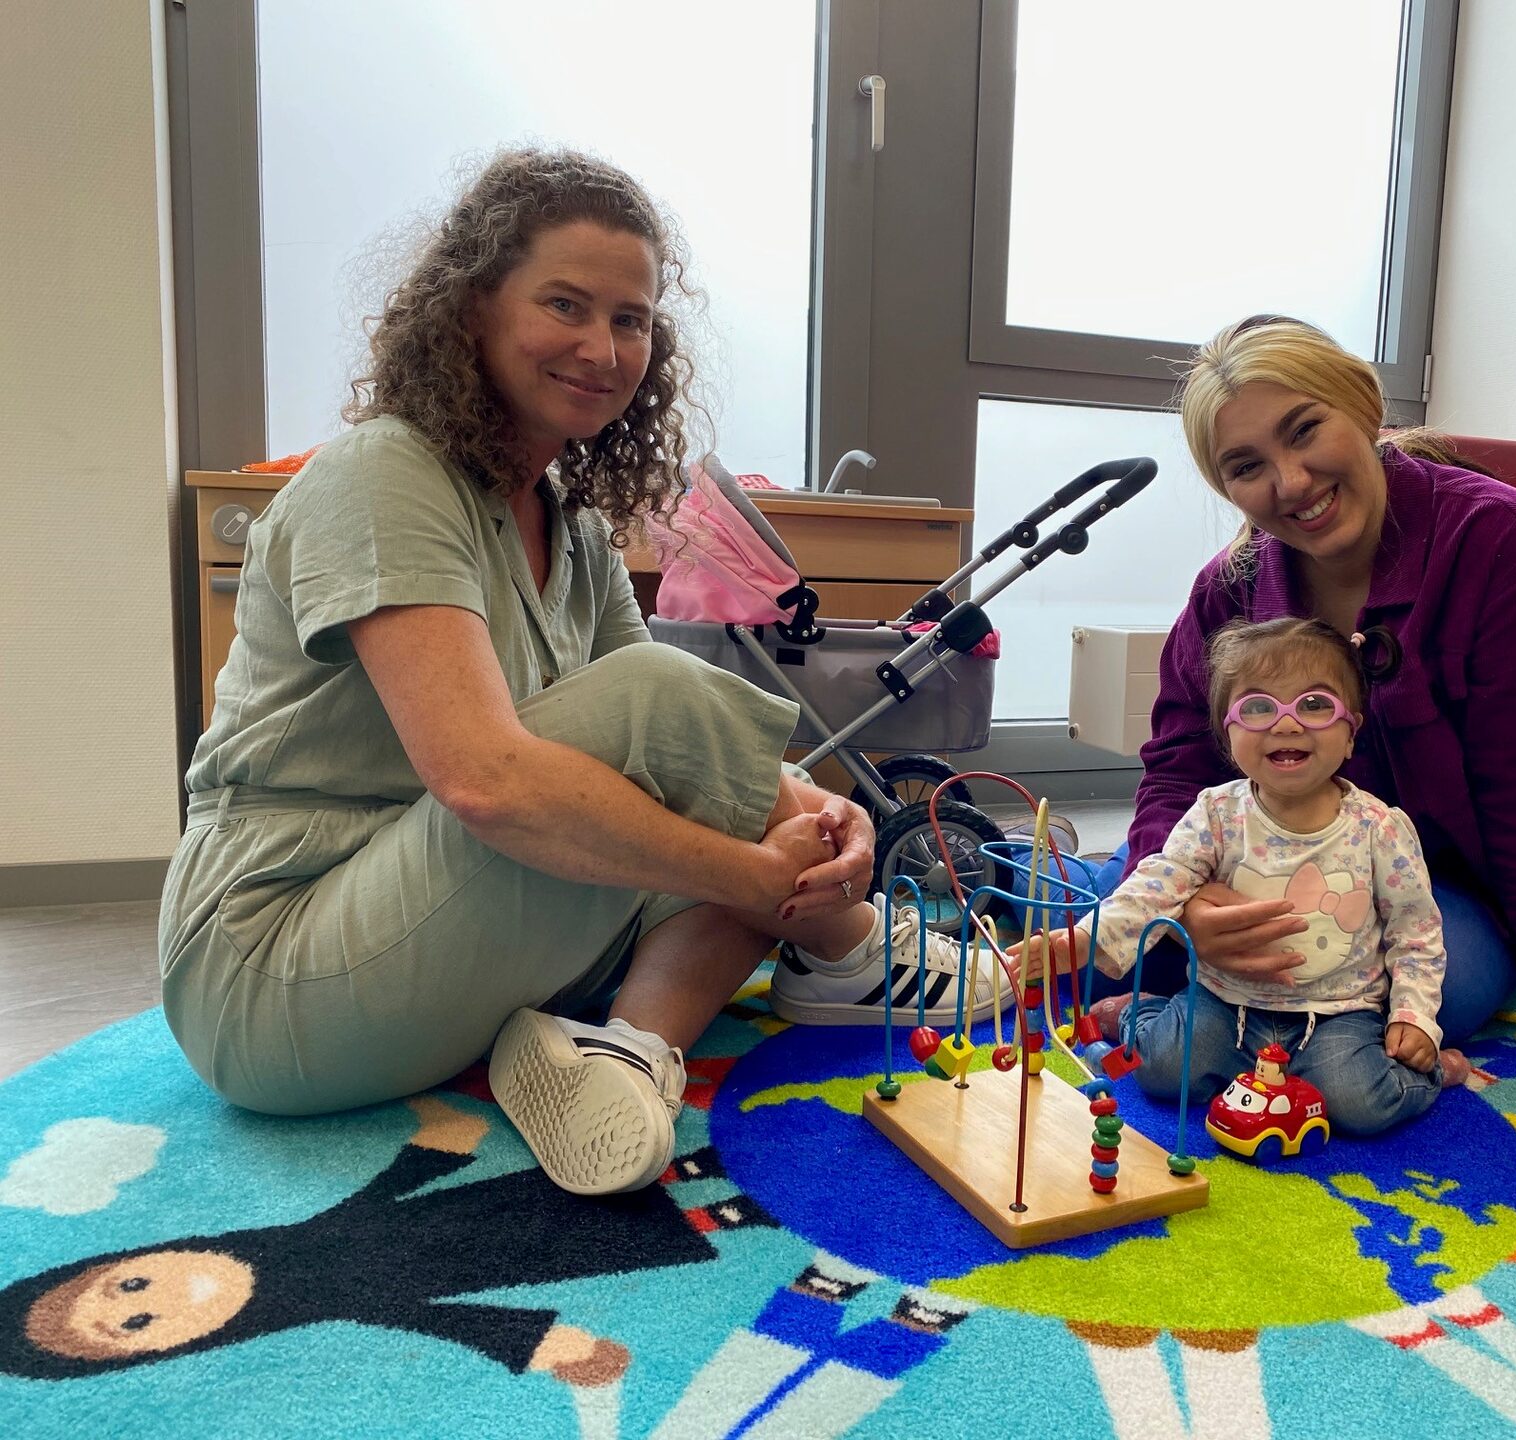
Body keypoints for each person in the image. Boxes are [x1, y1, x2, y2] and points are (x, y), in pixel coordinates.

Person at [158, 149, 989, 1199]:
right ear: (471, 308)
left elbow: (691, 774)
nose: (604, 348)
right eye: (565, 305)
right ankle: (853, 947)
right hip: (272, 975)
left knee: (720, 818)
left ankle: (628, 1054)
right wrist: (763, 871)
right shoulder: (383, 473)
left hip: (438, 931)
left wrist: (822, 817)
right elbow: (487, 781)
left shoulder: (574, 527)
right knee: (682, 744)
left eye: (632, 319)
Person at [1113, 315, 1516, 1068]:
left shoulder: (1505, 547)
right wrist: (1185, 904)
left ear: (1365, 404)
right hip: (1259, 862)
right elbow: (1179, 766)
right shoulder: (1229, 587)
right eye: (1246, 467)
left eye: (1305, 431)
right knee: (1113, 930)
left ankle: (1164, 988)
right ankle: (1089, 914)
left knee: (1406, 1013)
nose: (1291, 483)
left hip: (1436, 896)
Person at [1022, 617, 1470, 1135]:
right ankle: (1135, 1012)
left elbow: (1415, 932)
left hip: (1340, 1012)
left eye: (1315, 704)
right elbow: (1157, 884)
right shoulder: (1215, 815)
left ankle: (1436, 1073)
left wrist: (1414, 1017)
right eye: (1258, 707)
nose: (1287, 724)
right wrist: (1085, 938)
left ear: (1352, 733)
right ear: (1227, 733)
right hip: (1225, 1000)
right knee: (1164, 1071)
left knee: (1359, 1104)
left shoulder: (1380, 828)